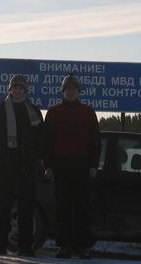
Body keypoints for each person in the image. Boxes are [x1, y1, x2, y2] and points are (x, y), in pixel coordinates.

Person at [0, 74, 45, 257]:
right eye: (14, 87)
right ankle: (0, 244)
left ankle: (26, 246)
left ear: (26, 90)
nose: (18, 90)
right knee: (2, 207)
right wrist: (1, 152)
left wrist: (34, 157)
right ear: (9, 89)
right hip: (5, 165)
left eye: (21, 87)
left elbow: (41, 139)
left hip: (26, 167)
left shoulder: (33, 110)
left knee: (26, 208)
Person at [44, 74, 100, 259]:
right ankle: (64, 246)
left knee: (83, 208)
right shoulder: (53, 112)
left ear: (79, 91)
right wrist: (48, 166)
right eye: (67, 89)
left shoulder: (88, 112)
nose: (70, 92)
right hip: (61, 166)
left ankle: (83, 247)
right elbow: (47, 142)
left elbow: (95, 141)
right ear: (63, 91)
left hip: (83, 166)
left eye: (74, 89)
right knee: (63, 208)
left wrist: (93, 164)